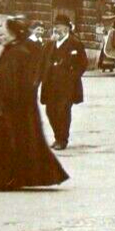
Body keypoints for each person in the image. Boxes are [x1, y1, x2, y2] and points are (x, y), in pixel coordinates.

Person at [0, 16, 69, 191]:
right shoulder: (14, 50)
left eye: (5, 32)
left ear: (13, 34)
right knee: (6, 143)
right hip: (12, 105)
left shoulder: (18, 52)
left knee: (5, 144)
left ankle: (1, 179)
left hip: (11, 107)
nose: (2, 35)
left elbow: (13, 82)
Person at [40, 15, 87, 150]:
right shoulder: (49, 44)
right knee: (50, 111)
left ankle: (62, 139)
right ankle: (57, 136)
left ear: (66, 29)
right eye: (55, 27)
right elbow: (42, 63)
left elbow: (83, 63)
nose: (56, 30)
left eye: (59, 27)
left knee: (63, 111)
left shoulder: (75, 43)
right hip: (50, 84)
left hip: (67, 86)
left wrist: (73, 76)